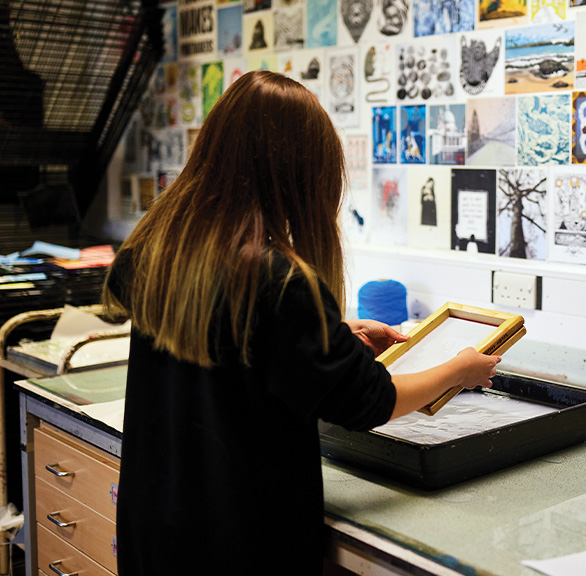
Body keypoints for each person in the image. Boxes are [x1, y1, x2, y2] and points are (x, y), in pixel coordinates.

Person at [102, 70, 500, 576]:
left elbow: (234, 339)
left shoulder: (162, 251)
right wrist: (458, 370)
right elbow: (368, 401)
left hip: (158, 527)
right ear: (296, 171)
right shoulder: (276, 279)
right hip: (237, 545)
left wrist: (333, 332)